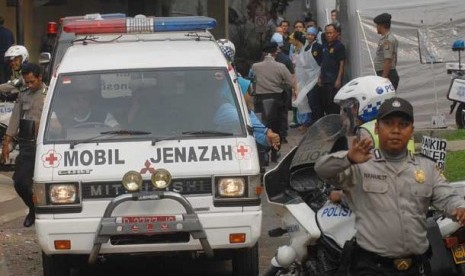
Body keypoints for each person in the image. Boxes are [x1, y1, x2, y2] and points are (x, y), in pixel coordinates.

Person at [315, 97, 465, 275]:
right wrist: (347, 158)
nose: (395, 130)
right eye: (388, 124)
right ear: (377, 128)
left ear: (412, 130)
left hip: (416, 267)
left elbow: (448, 197)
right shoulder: (360, 165)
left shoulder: (427, 168)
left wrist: (460, 208)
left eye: (403, 124)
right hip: (372, 268)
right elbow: (321, 169)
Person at [216, 39, 280, 164]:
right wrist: (266, 131)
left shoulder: (237, 81)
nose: (252, 96)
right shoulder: (213, 91)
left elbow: (248, 115)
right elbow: (240, 115)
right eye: (249, 91)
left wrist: (266, 138)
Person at [1, 63, 46, 227]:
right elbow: (15, 118)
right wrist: (7, 140)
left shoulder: (50, 93)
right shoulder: (24, 94)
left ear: (40, 77)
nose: (29, 85)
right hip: (28, 145)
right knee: (20, 182)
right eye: (26, 82)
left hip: (46, 146)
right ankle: (33, 209)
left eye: (32, 81)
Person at [250, 42, 293, 162]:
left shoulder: (255, 66)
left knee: (262, 126)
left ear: (264, 53)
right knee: (275, 127)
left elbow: (251, 80)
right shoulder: (281, 66)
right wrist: (280, 85)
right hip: (277, 100)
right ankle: (275, 153)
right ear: (275, 53)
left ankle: (263, 154)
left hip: (260, 100)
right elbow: (289, 83)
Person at [315, 23, 346, 120]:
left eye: (331, 33)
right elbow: (323, 63)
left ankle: (335, 125)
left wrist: (338, 79)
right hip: (324, 79)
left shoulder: (339, 46)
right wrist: (320, 77)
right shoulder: (325, 46)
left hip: (333, 80)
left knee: (333, 105)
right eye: (327, 33)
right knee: (325, 104)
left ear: (336, 33)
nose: (329, 35)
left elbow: (342, 63)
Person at [374, 13, 400, 89]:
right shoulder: (386, 38)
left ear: (381, 26)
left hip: (387, 74)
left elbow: (388, 60)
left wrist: (383, 79)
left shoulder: (387, 40)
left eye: (377, 25)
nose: (376, 27)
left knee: (387, 100)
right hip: (386, 73)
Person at [0, 16, 14, 84]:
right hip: (8, 58)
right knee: (8, 77)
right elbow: (12, 43)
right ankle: (7, 93)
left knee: (1, 78)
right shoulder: (9, 32)